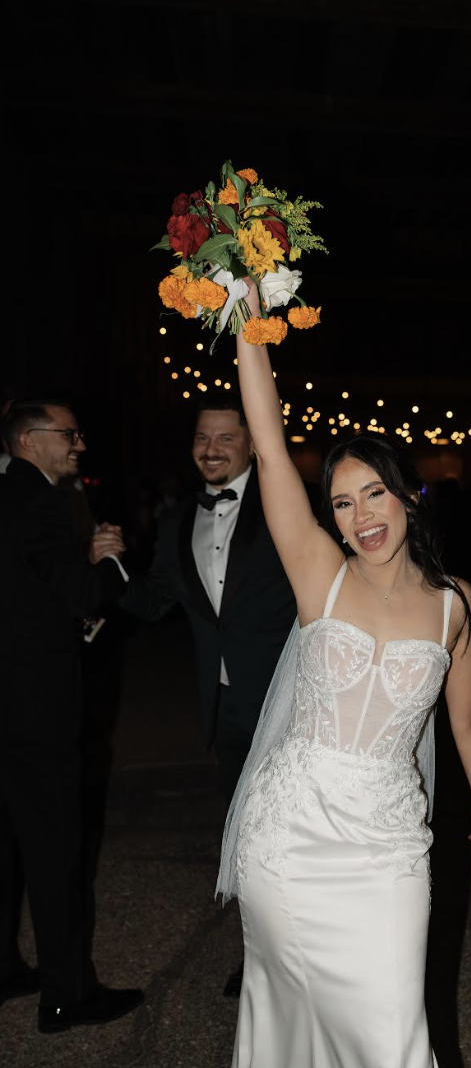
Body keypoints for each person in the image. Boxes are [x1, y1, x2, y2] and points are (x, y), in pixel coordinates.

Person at [216, 280, 471, 1068]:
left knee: (389, 1026)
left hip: (387, 844)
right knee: (293, 1008)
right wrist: (250, 318)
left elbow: (470, 719)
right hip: (290, 833)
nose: (361, 517)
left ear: (409, 498)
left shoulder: (456, 605)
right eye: (342, 503)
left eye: (374, 493)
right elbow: (270, 445)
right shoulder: (322, 573)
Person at [120, 396, 295, 995]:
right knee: (246, 837)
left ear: (251, 443)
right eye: (202, 437)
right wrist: (110, 568)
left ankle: (301, 958)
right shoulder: (174, 522)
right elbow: (152, 603)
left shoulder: (284, 504)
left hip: (289, 702)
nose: (212, 449)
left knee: (292, 836)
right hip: (225, 712)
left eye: (225, 438)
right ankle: (261, 961)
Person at [0, 399, 144, 1032]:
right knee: (58, 851)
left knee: (5, 845)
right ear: (31, 440)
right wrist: (108, 559)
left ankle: (3, 968)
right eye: (69, 434)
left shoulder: (4, 495)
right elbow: (80, 594)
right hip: (37, 709)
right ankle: (66, 994)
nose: (79, 444)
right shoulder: (42, 502)